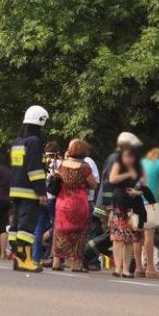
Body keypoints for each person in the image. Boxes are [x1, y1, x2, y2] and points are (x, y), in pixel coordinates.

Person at [9, 105, 49, 272]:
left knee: (17, 225)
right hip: (29, 191)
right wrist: (41, 192)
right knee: (26, 226)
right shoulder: (34, 142)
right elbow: (35, 170)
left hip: (16, 189)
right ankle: (24, 260)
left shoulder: (18, 141)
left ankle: (18, 259)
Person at [51, 139, 98, 272]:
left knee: (59, 231)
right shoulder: (85, 168)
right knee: (79, 233)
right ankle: (76, 264)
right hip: (79, 203)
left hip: (62, 202)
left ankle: (56, 261)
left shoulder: (62, 165)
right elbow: (94, 185)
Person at [108, 145, 145, 277]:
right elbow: (112, 179)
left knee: (130, 238)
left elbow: (145, 187)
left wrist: (137, 192)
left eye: (132, 156)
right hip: (119, 202)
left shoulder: (140, 169)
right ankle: (117, 268)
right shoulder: (119, 166)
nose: (129, 159)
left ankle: (126, 269)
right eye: (127, 156)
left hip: (134, 205)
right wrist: (127, 174)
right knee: (118, 238)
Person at [138, 147, 159, 277]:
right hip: (151, 202)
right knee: (149, 235)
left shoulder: (142, 163)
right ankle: (150, 268)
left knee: (137, 236)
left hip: (137, 201)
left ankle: (138, 268)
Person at [34, 141, 61, 263]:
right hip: (54, 199)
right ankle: (53, 256)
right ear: (57, 152)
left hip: (41, 197)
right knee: (56, 227)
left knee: (38, 228)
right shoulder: (60, 164)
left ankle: (36, 256)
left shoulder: (41, 163)